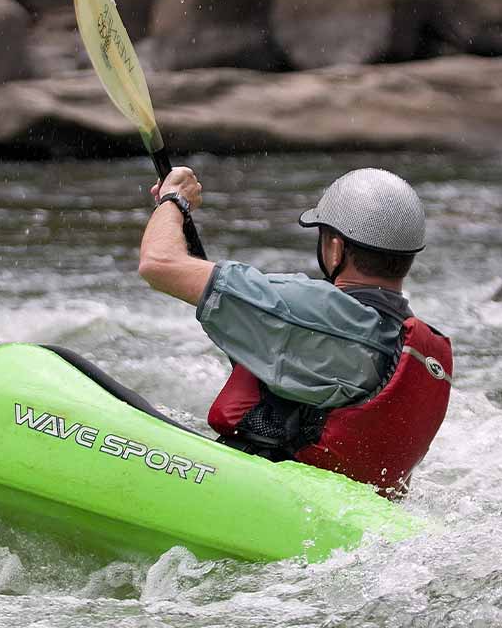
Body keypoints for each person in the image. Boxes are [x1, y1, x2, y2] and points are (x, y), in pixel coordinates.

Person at [137, 166, 452, 496]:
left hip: (259, 495)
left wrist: (174, 201)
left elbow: (159, 264)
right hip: (328, 507)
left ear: (334, 247)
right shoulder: (400, 338)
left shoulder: (314, 310)